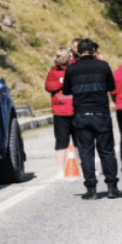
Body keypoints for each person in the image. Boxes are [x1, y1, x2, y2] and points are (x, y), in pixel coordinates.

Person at [62, 39, 122, 200]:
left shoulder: (71, 69)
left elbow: (66, 90)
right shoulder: (103, 66)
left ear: (78, 51)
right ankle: (112, 188)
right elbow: (111, 86)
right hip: (101, 113)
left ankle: (91, 189)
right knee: (107, 151)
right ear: (94, 50)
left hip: (81, 115)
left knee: (86, 153)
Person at [45, 48, 77, 177]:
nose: (59, 58)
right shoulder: (53, 72)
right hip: (60, 111)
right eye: (58, 55)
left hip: (76, 110)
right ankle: (60, 169)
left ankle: (84, 167)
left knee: (80, 142)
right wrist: (61, 82)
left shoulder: (75, 69)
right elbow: (49, 86)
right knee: (61, 142)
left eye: (62, 56)